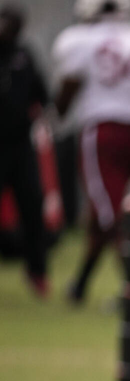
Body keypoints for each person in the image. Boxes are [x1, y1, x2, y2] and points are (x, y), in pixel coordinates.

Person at [52, 0, 130, 306]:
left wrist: (53, 118)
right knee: (104, 210)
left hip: (102, 133)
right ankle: (80, 285)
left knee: (111, 215)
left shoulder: (80, 41)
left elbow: (68, 90)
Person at [0, 1, 50, 298]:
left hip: (20, 146)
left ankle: (38, 272)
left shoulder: (24, 55)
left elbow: (41, 95)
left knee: (32, 208)